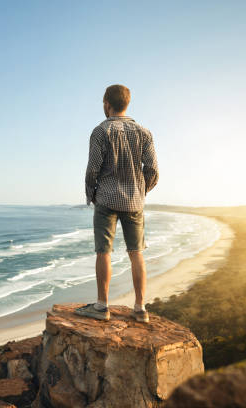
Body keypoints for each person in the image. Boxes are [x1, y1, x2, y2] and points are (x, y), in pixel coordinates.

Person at [75, 84, 159, 323]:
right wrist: (141, 191)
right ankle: (140, 308)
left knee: (104, 252)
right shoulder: (144, 132)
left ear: (106, 103)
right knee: (136, 253)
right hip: (134, 201)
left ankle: (102, 306)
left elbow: (93, 169)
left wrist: (91, 194)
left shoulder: (101, 132)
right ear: (127, 103)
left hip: (107, 200)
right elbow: (152, 169)